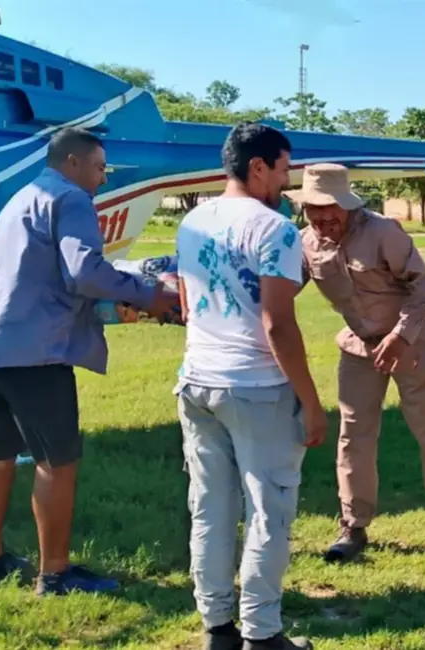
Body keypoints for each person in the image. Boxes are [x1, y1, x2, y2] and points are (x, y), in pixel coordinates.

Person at [0, 127, 179, 595]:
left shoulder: (22, 197)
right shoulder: (71, 198)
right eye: (99, 167)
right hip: (31, 349)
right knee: (57, 460)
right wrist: (149, 294)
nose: (103, 178)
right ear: (72, 162)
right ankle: (55, 574)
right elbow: (84, 272)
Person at [174, 123, 325, 650]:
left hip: (198, 380)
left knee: (210, 508)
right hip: (257, 386)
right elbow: (277, 323)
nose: (287, 182)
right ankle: (262, 634)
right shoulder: (275, 228)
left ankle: (217, 627)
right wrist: (310, 401)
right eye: (283, 170)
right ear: (257, 167)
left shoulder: (193, 221)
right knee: (269, 510)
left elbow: (189, 304)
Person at [290, 163, 425, 563]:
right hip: (359, 348)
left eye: (330, 209)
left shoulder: (383, 232)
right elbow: (281, 290)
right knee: (353, 436)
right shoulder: (305, 243)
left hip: (409, 345)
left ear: (346, 204)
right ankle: (353, 526)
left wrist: (402, 335)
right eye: (314, 210)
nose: (323, 219)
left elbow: (422, 285)